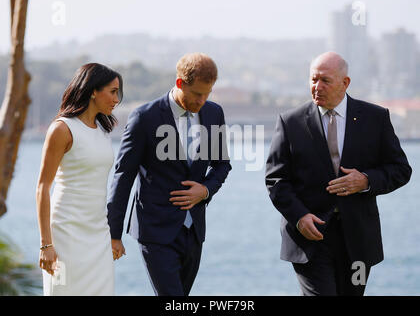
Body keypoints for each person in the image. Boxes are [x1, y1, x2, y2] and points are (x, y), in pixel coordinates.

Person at [265, 52, 412, 296]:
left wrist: (366, 180)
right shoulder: (290, 121)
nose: (317, 87)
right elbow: (276, 179)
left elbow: (400, 169)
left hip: (359, 240)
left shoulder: (375, 118)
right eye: (313, 80)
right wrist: (300, 217)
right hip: (309, 239)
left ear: (345, 83)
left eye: (325, 80)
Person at [107, 52, 231, 296]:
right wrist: (114, 234)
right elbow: (123, 175)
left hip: (194, 230)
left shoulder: (214, 113)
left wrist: (205, 190)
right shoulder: (144, 117)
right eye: (197, 94)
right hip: (154, 229)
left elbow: (222, 165)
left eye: (208, 93)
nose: (202, 100)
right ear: (179, 83)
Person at [36, 63, 123, 295]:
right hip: (67, 233)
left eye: (118, 93)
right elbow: (43, 188)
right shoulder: (62, 129)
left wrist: (113, 236)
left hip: (98, 234)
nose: (117, 99)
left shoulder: (103, 130)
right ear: (93, 90)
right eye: (113, 91)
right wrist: (46, 245)